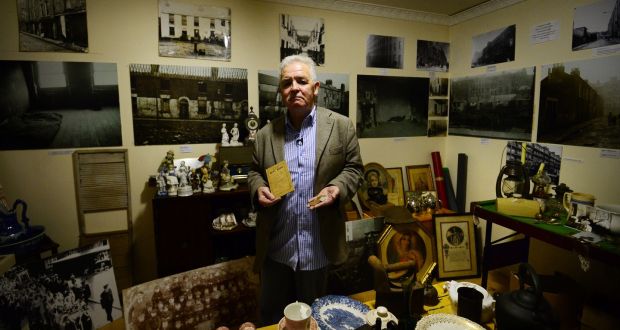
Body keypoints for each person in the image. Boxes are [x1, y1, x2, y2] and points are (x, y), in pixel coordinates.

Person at [248, 54, 363, 325]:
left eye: (301, 81)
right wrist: (258, 189)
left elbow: (355, 169)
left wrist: (336, 189)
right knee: (272, 318)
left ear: (316, 88)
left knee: (316, 319)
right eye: (287, 83)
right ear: (281, 90)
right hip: (277, 250)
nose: (294, 88)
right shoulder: (266, 134)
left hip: (318, 249)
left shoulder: (341, 126)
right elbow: (254, 172)